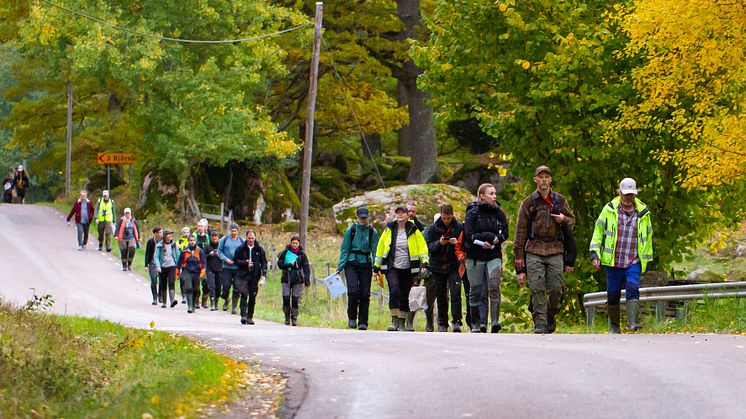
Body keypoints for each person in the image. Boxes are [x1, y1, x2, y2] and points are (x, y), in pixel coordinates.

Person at [514, 166, 576, 334]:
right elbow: (520, 234)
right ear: (535, 179)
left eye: (546, 177)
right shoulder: (528, 203)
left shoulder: (560, 200)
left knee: (556, 287)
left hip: (555, 249)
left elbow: (572, 221)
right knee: (537, 286)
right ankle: (540, 323)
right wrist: (519, 266)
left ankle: (550, 314)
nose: (543, 180)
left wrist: (563, 219)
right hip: (534, 249)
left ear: (550, 180)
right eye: (540, 177)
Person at [590, 178, 653, 333]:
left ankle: (633, 324)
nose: (628, 198)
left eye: (631, 194)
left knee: (633, 288)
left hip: (633, 260)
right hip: (613, 260)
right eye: (625, 194)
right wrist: (595, 254)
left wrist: (646, 258)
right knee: (613, 294)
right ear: (619, 193)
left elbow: (648, 237)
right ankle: (614, 326)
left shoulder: (643, 212)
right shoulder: (609, 209)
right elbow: (598, 233)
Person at [374, 204, 429, 332]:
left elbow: (422, 247)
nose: (400, 215)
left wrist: (424, 263)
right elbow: (381, 247)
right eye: (397, 212)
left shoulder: (413, 229)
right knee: (394, 290)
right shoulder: (389, 228)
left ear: (407, 214)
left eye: (402, 212)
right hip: (392, 266)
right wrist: (376, 267)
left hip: (408, 267)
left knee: (404, 294)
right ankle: (394, 321)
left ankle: (402, 322)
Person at [463, 183, 509, 333]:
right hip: (475, 256)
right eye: (491, 193)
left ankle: (495, 321)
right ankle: (477, 323)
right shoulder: (472, 213)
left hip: (493, 255)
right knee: (476, 290)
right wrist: (484, 241)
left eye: (495, 193)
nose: (494, 196)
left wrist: (498, 238)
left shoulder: (499, 213)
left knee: (494, 286)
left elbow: (505, 232)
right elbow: (469, 235)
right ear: (482, 196)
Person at [337, 206, 380, 330]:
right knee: (353, 291)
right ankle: (352, 317)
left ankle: (363, 321)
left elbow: (375, 250)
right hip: (351, 263)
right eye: (361, 217)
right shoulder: (351, 230)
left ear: (367, 218)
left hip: (366, 264)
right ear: (357, 217)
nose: (363, 219)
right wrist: (340, 266)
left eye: (365, 217)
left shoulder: (373, 232)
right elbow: (345, 249)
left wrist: (376, 268)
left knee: (365, 293)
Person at [424, 204, 464, 332]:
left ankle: (457, 321)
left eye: (448, 218)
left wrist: (455, 242)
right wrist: (439, 243)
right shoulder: (433, 229)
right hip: (437, 266)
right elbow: (428, 247)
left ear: (452, 215)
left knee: (456, 292)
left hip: (454, 265)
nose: (446, 220)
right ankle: (442, 323)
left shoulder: (459, 227)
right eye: (444, 218)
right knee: (441, 295)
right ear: (440, 215)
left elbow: (464, 243)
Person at [233, 230, 268, 325]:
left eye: (253, 238)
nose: (251, 240)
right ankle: (243, 315)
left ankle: (250, 316)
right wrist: (245, 263)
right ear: (246, 238)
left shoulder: (259, 249)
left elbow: (264, 262)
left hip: (255, 276)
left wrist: (264, 275)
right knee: (244, 294)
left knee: (252, 296)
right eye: (249, 238)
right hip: (243, 275)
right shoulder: (241, 248)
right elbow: (235, 260)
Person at [277, 236, 310, 326]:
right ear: (291, 243)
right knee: (286, 296)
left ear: (299, 244)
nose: (295, 245)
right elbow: (279, 264)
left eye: (296, 243)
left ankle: (294, 317)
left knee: (295, 298)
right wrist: (288, 264)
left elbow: (306, 266)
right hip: (286, 276)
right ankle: (287, 316)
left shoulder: (302, 254)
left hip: (298, 278)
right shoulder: (285, 252)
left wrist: (307, 279)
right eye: (293, 243)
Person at [218, 223, 244, 314]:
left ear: (238, 231)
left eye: (235, 231)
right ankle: (226, 299)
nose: (233, 232)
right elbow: (219, 251)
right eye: (232, 231)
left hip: (237, 268)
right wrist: (225, 259)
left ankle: (234, 307)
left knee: (237, 287)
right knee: (225, 286)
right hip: (227, 267)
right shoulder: (224, 240)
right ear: (230, 231)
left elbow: (245, 253)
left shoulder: (241, 241)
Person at [176, 235, 206, 313]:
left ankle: (193, 305)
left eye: (193, 240)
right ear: (188, 241)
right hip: (187, 271)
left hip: (197, 272)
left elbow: (204, 262)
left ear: (195, 241)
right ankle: (189, 306)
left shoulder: (200, 251)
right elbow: (179, 263)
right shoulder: (184, 251)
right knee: (189, 288)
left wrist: (203, 272)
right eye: (190, 240)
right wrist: (177, 273)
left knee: (196, 289)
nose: (192, 242)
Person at [155, 230, 180, 308]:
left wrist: (179, 266)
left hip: (172, 265)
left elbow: (178, 255)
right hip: (162, 266)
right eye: (169, 234)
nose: (170, 236)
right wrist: (158, 266)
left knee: (171, 282)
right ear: (165, 236)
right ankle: (164, 303)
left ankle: (172, 300)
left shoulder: (173, 245)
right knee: (163, 284)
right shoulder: (159, 245)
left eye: (171, 235)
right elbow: (156, 256)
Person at [193, 220, 211, 308]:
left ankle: (204, 299)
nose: (200, 228)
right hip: (195, 263)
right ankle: (196, 300)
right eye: (198, 226)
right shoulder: (194, 236)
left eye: (201, 226)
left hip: (205, 263)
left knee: (206, 283)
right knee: (196, 283)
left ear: (205, 228)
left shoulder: (208, 237)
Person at [144, 227, 163, 305]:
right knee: (154, 279)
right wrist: (146, 265)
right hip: (152, 263)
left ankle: (160, 295)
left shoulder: (163, 241)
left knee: (162, 280)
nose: (161, 233)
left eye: (162, 232)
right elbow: (147, 253)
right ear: (155, 233)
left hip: (161, 263)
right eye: (160, 232)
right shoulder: (150, 242)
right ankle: (154, 297)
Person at [205, 231, 223, 311]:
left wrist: (219, 254)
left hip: (219, 269)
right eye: (213, 238)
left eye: (216, 238)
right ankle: (212, 303)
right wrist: (210, 254)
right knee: (211, 286)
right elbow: (203, 257)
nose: (214, 239)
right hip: (210, 268)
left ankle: (216, 302)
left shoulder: (221, 247)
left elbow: (225, 257)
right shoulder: (207, 246)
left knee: (218, 287)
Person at [176, 227, 191, 304]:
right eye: (184, 232)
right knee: (182, 279)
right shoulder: (179, 241)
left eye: (187, 232)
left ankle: (189, 294)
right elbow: (177, 251)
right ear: (182, 233)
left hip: (189, 263)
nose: (186, 234)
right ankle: (183, 295)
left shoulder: (191, 241)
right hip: (181, 262)